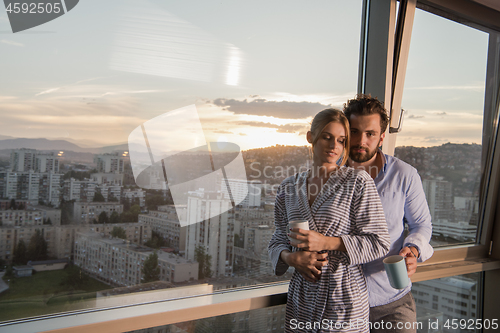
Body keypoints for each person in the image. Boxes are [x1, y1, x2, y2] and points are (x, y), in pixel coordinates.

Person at [268, 108, 390, 332]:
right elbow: (277, 240)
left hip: (344, 301)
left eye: (341, 140)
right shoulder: (288, 187)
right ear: (310, 137)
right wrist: (291, 258)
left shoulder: (358, 182)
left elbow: (379, 242)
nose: (334, 146)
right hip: (302, 300)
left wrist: (326, 242)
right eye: (327, 137)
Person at [343, 94, 433, 333]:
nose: (361, 140)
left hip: (392, 303)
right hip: (341, 306)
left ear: (382, 137)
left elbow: (421, 225)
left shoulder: (405, 175)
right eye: (354, 131)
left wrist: (413, 250)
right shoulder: (327, 176)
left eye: (370, 134)